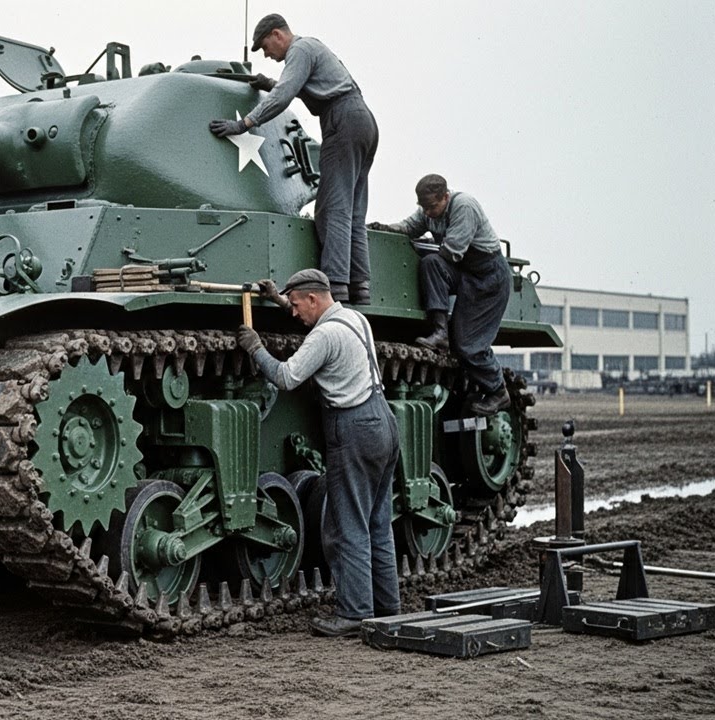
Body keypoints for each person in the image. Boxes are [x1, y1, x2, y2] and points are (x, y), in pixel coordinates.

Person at [236, 268, 400, 637]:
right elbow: (313, 318)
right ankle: (388, 607)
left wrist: (255, 347)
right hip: (383, 421)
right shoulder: (353, 318)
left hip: (354, 428)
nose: (293, 313)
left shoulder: (325, 335)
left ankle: (356, 613)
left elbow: (286, 376)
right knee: (378, 523)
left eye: (296, 306)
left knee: (348, 526)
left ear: (313, 299)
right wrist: (280, 298)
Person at [210, 13, 379, 306]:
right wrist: (269, 82)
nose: (267, 55)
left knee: (332, 210)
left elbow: (285, 95)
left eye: (265, 47)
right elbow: (305, 86)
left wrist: (244, 124)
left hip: (342, 120)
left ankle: (336, 286)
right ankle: (359, 285)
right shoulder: (311, 48)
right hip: (361, 119)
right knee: (352, 211)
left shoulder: (298, 51)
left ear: (278, 35)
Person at [368, 174, 512, 416]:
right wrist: (387, 229)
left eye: (433, 207)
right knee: (431, 264)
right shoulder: (429, 210)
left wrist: (420, 246)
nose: (428, 212)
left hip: (489, 278)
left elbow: (453, 252)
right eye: (424, 207)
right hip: (467, 274)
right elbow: (410, 227)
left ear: (446, 197)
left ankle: (498, 390)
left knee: (468, 344)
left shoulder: (463, 206)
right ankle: (439, 332)